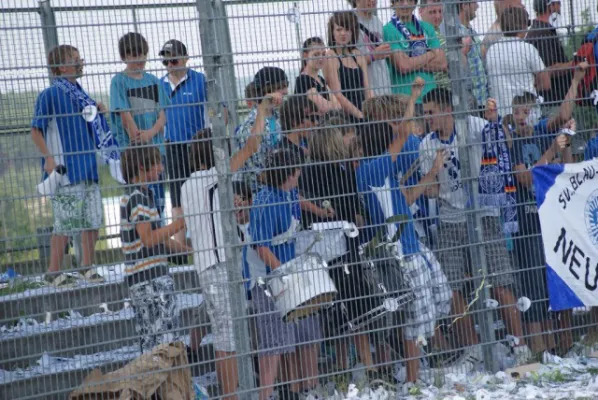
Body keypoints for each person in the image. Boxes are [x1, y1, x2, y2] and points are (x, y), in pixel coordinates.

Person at [420, 88, 532, 364]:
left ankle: (520, 347)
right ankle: (472, 351)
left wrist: (495, 120)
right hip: (450, 219)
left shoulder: (475, 125)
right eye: (425, 115)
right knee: (451, 288)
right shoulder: (426, 145)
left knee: (500, 281)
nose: (428, 119)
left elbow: (503, 145)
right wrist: (434, 170)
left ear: (446, 108)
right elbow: (432, 191)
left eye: (431, 113)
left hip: (485, 214)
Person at [356, 78, 452, 384]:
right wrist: (413, 96)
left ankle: (421, 366)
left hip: (413, 244)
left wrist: (433, 172)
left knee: (440, 296)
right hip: (399, 252)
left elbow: (406, 198)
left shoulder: (382, 170)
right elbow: (402, 131)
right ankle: (413, 379)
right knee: (414, 319)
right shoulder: (371, 169)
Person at [507, 63, 587, 356]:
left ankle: (562, 345)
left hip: (551, 221)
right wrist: (554, 148)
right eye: (517, 113)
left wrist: (577, 79)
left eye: (526, 112)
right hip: (526, 223)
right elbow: (525, 177)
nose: (522, 118)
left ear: (535, 113)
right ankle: (539, 348)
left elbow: (565, 118)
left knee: (556, 278)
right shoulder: (513, 142)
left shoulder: (542, 131)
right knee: (532, 283)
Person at [181, 122, 265, 398]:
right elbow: (253, 146)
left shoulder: (187, 185)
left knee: (224, 334)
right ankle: (230, 394)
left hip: (207, 265)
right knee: (226, 338)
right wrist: (263, 111)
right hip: (217, 266)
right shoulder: (212, 178)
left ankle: (232, 392)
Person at [247, 149, 316, 400]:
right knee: (273, 344)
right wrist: (284, 273)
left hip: (286, 276)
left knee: (295, 336)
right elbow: (261, 246)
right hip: (267, 280)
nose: (299, 177)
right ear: (287, 175)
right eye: (296, 173)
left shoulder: (289, 195)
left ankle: (296, 391)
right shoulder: (265, 201)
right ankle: (264, 395)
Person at [31, 45, 103, 282]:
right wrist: (49, 159)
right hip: (66, 169)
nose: (80, 62)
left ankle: (87, 266)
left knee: (93, 217)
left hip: (88, 166)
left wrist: (100, 110)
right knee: (66, 221)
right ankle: (53, 272)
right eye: (75, 59)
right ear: (62, 66)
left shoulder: (81, 93)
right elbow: (36, 130)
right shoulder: (50, 94)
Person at [119, 145, 192, 354]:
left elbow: (160, 237)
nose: (161, 167)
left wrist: (187, 250)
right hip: (149, 282)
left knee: (154, 343)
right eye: (158, 162)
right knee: (163, 344)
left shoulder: (143, 195)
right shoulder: (137, 198)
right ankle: (166, 385)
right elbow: (149, 239)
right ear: (142, 167)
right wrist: (179, 224)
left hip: (148, 279)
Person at [110, 32, 170, 219]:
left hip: (156, 150)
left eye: (142, 54)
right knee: (139, 200)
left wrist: (150, 133)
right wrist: (138, 137)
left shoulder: (153, 81)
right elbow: (124, 115)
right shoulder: (119, 81)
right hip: (134, 154)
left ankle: (158, 237)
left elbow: (163, 115)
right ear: (124, 57)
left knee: (157, 201)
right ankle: (144, 239)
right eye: (134, 55)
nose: (139, 60)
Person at [159, 39, 208, 247]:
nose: (170, 65)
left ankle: (204, 241)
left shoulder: (200, 80)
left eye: (174, 60)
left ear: (186, 59)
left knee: (202, 193)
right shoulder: (159, 84)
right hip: (173, 146)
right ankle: (180, 247)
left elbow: (218, 111)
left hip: (198, 146)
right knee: (178, 196)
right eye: (166, 61)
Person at [486, 6, 551, 116]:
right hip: (527, 115)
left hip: (501, 116)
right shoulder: (528, 49)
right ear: (523, 25)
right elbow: (546, 84)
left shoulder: (491, 51)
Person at [234, 66, 288, 192]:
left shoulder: (279, 117)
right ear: (268, 90)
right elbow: (255, 173)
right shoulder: (249, 127)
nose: (285, 91)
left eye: (287, 85)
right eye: (281, 86)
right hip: (264, 196)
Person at [383, 0, 446, 106]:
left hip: (431, 99)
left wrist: (411, 61)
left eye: (409, 0)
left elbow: (442, 63)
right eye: (400, 1)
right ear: (393, 3)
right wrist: (430, 54)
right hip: (406, 101)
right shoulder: (388, 30)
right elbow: (403, 66)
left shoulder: (427, 28)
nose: (405, 4)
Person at [323, 11, 373, 120]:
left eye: (347, 29)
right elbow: (338, 95)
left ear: (353, 32)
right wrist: (361, 116)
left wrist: (373, 111)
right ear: (332, 32)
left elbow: (367, 89)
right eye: (339, 29)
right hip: (345, 116)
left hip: (364, 111)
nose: (343, 33)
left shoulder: (357, 54)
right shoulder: (330, 56)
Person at [526, 0, 573, 109]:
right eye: (558, 3)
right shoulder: (542, 33)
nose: (560, 6)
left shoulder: (540, 30)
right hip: (551, 103)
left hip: (552, 101)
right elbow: (549, 70)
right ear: (550, 6)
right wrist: (574, 63)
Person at [446, 0, 489, 110]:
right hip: (469, 101)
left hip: (482, 100)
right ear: (464, 5)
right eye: (474, 2)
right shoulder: (455, 33)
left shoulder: (472, 32)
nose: (477, 6)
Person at [349, 0, 392, 96]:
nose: (372, 1)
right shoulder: (350, 21)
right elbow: (347, 61)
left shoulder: (377, 21)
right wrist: (373, 56)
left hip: (384, 84)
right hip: (365, 88)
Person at [295, 37, 342, 113]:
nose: (321, 58)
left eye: (323, 54)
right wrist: (332, 105)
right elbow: (324, 107)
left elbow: (339, 106)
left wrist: (332, 105)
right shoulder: (303, 80)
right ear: (305, 55)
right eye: (316, 55)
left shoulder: (320, 79)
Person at [418, 0, 451, 90]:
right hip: (435, 94)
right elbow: (416, 63)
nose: (438, 16)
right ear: (420, 11)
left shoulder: (439, 32)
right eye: (432, 12)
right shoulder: (419, 34)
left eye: (440, 11)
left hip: (448, 91)